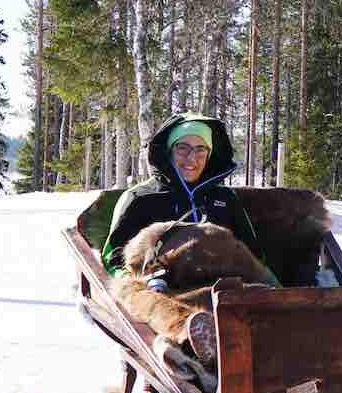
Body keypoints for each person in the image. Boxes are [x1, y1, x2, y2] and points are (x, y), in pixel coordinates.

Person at [101, 112, 258, 276]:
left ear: (209, 154)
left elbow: (253, 255)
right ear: (169, 151)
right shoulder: (141, 198)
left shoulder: (225, 198)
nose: (191, 158)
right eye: (182, 148)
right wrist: (134, 286)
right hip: (161, 290)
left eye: (200, 149)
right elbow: (114, 258)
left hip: (225, 290)